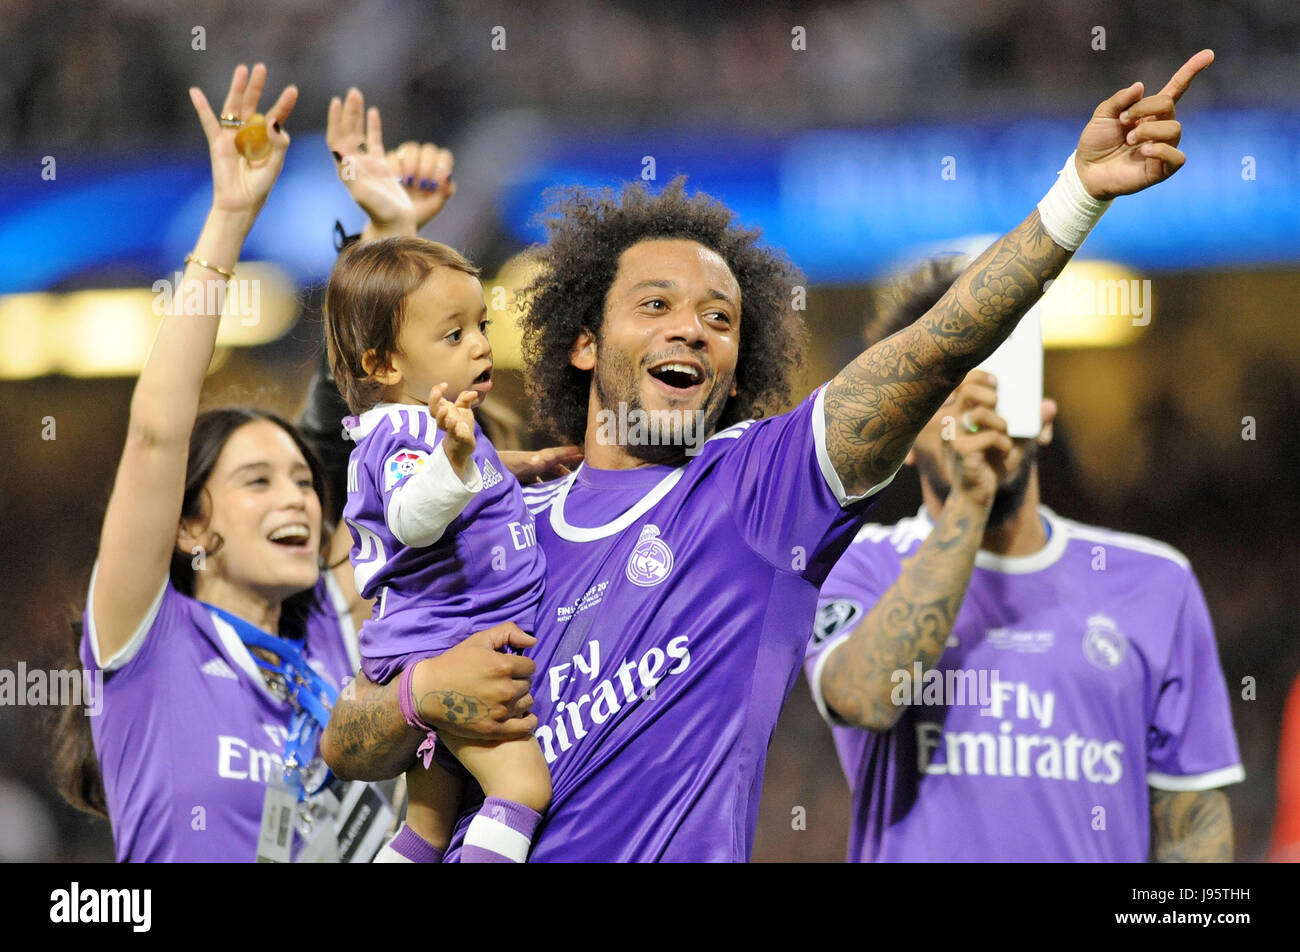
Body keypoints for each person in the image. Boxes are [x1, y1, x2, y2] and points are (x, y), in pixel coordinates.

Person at [321, 51, 1217, 861]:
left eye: (721, 320)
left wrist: (1076, 196)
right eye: (657, 304)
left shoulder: (760, 492)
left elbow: (933, 347)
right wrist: (423, 694)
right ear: (584, 342)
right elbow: (348, 743)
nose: (693, 330)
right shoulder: (496, 519)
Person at [51, 65, 545, 862]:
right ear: (188, 528)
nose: (298, 497)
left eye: (298, 481)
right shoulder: (146, 642)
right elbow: (155, 433)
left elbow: (396, 416)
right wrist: (228, 220)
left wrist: (392, 232)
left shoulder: (335, 641)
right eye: (255, 480)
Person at [804, 256, 1243, 862]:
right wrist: (971, 501)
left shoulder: (1156, 582)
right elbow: (866, 697)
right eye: (946, 391)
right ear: (899, 440)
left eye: (996, 377)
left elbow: (1192, 825)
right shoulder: (860, 565)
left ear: (1042, 413)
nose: (977, 407)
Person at [322, 233, 553, 863]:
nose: (480, 344)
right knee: (523, 788)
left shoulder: (426, 431)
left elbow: (460, 477)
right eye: (453, 335)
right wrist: (454, 456)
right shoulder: (404, 433)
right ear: (384, 367)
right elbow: (413, 515)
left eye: (479, 324)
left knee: (424, 832)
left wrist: (521, 463)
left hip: (432, 642)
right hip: (451, 644)